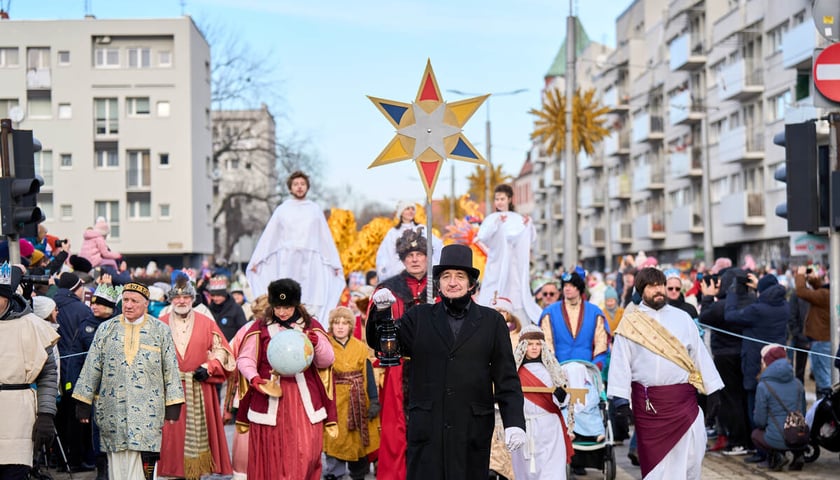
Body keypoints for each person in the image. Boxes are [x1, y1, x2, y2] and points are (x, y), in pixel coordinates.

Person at [367, 243, 527, 479]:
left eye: (460, 276)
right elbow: (382, 344)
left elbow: (507, 378)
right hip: (428, 429)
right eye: (446, 276)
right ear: (438, 283)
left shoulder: (492, 322)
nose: (453, 282)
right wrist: (380, 314)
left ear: (471, 283)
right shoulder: (418, 318)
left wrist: (515, 421)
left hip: (472, 429)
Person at [607, 267, 724, 479]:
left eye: (660, 285)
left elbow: (700, 354)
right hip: (649, 407)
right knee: (657, 467)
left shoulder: (682, 318)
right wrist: (621, 402)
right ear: (641, 290)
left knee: (692, 454)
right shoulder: (631, 322)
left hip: (682, 401)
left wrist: (713, 389)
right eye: (652, 286)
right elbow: (620, 363)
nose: (658, 290)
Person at [73, 282, 185, 480]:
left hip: (148, 413)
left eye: (134, 301)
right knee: (117, 467)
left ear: (145, 304)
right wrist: (83, 401)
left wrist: (173, 404)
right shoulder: (106, 329)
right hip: (112, 411)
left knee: (145, 467)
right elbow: (92, 366)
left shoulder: (161, 330)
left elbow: (170, 369)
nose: (129, 305)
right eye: (125, 300)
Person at [236, 278, 337, 480]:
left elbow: (327, 360)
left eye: (287, 307)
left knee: (306, 451)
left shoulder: (311, 326)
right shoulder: (260, 328)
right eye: (278, 307)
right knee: (272, 453)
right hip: (269, 397)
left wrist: (316, 344)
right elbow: (245, 358)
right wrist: (254, 378)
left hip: (304, 401)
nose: (282, 312)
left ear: (296, 305)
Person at [364, 227, 431, 480]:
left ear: (427, 256)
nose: (415, 259)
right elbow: (374, 335)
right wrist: (380, 311)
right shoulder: (388, 288)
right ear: (402, 259)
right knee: (397, 430)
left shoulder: (440, 284)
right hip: (399, 369)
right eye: (409, 255)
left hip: (434, 368)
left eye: (420, 254)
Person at [158, 276, 235, 480]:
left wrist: (209, 367)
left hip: (199, 388)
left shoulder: (207, 322)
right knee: (172, 436)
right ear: (171, 300)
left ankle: (196, 473)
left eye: (186, 297)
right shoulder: (160, 324)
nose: (181, 301)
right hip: (170, 390)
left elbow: (222, 351)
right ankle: (174, 473)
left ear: (193, 298)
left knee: (200, 435)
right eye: (177, 297)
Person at [246, 170, 345, 322]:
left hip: (310, 261)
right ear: (290, 188)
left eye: (302, 184)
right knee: (286, 294)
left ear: (307, 187)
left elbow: (324, 238)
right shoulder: (283, 209)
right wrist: (258, 259)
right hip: (288, 260)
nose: (299, 187)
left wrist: (334, 263)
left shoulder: (314, 209)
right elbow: (270, 237)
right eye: (296, 184)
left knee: (310, 297)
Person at [0, 263, 60, 479]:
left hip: (18, 413)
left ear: (7, 297)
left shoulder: (32, 325)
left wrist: (46, 414)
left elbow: (48, 374)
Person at [323, 306, 380, 480]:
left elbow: (368, 374)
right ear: (331, 326)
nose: (340, 326)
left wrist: (374, 399)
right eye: (336, 323)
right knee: (335, 437)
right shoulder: (325, 347)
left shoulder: (361, 347)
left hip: (359, 398)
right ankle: (335, 473)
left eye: (345, 323)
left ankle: (359, 473)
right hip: (335, 400)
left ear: (351, 326)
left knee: (359, 440)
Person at [511, 325, 573, 480]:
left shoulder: (553, 370)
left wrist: (561, 396)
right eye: (530, 344)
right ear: (523, 346)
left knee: (551, 471)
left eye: (538, 344)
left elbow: (565, 400)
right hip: (524, 425)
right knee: (524, 471)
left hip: (549, 428)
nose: (534, 348)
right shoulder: (513, 373)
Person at [476, 184, 542, 325]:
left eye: (502, 198)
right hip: (497, 264)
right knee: (493, 294)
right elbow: (483, 236)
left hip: (513, 266)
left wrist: (528, 225)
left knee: (515, 294)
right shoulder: (492, 218)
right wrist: (497, 224)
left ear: (509, 199)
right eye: (497, 199)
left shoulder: (517, 218)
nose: (499, 202)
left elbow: (529, 238)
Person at [53, 271, 98, 472]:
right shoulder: (81, 310)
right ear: (75, 289)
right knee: (78, 416)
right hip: (74, 369)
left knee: (59, 416)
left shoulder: (51, 304)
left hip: (54, 369)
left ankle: (60, 459)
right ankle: (77, 460)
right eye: (81, 287)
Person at [538, 271, 610, 368]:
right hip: (559, 368)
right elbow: (546, 342)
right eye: (565, 285)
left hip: (587, 369)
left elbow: (601, 342)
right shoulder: (549, 313)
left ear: (579, 288)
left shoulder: (595, 313)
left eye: (572, 285)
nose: (567, 288)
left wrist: (596, 366)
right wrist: (553, 367)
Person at [752, 344, 807, 471]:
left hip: (775, 438)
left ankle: (777, 455)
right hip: (800, 436)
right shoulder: (798, 383)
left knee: (756, 434)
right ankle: (798, 455)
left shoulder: (763, 385)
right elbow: (803, 412)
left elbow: (760, 420)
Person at [375, 201, 442, 282]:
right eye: (407, 209)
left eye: (412, 209)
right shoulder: (393, 232)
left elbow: (437, 245)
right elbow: (387, 252)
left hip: (422, 268)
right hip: (400, 270)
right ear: (401, 212)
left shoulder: (422, 228)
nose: (411, 211)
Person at [793, 265, 831, 397]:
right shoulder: (829, 294)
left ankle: (826, 405)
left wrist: (800, 275)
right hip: (824, 340)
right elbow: (821, 289)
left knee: (823, 379)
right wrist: (813, 280)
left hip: (821, 342)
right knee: (824, 375)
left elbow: (801, 292)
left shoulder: (825, 296)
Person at [206, 275, 248, 342]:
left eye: (218, 295)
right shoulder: (209, 309)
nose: (215, 298)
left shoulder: (236, 308)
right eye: (213, 295)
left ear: (224, 295)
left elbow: (243, 329)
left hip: (231, 347)